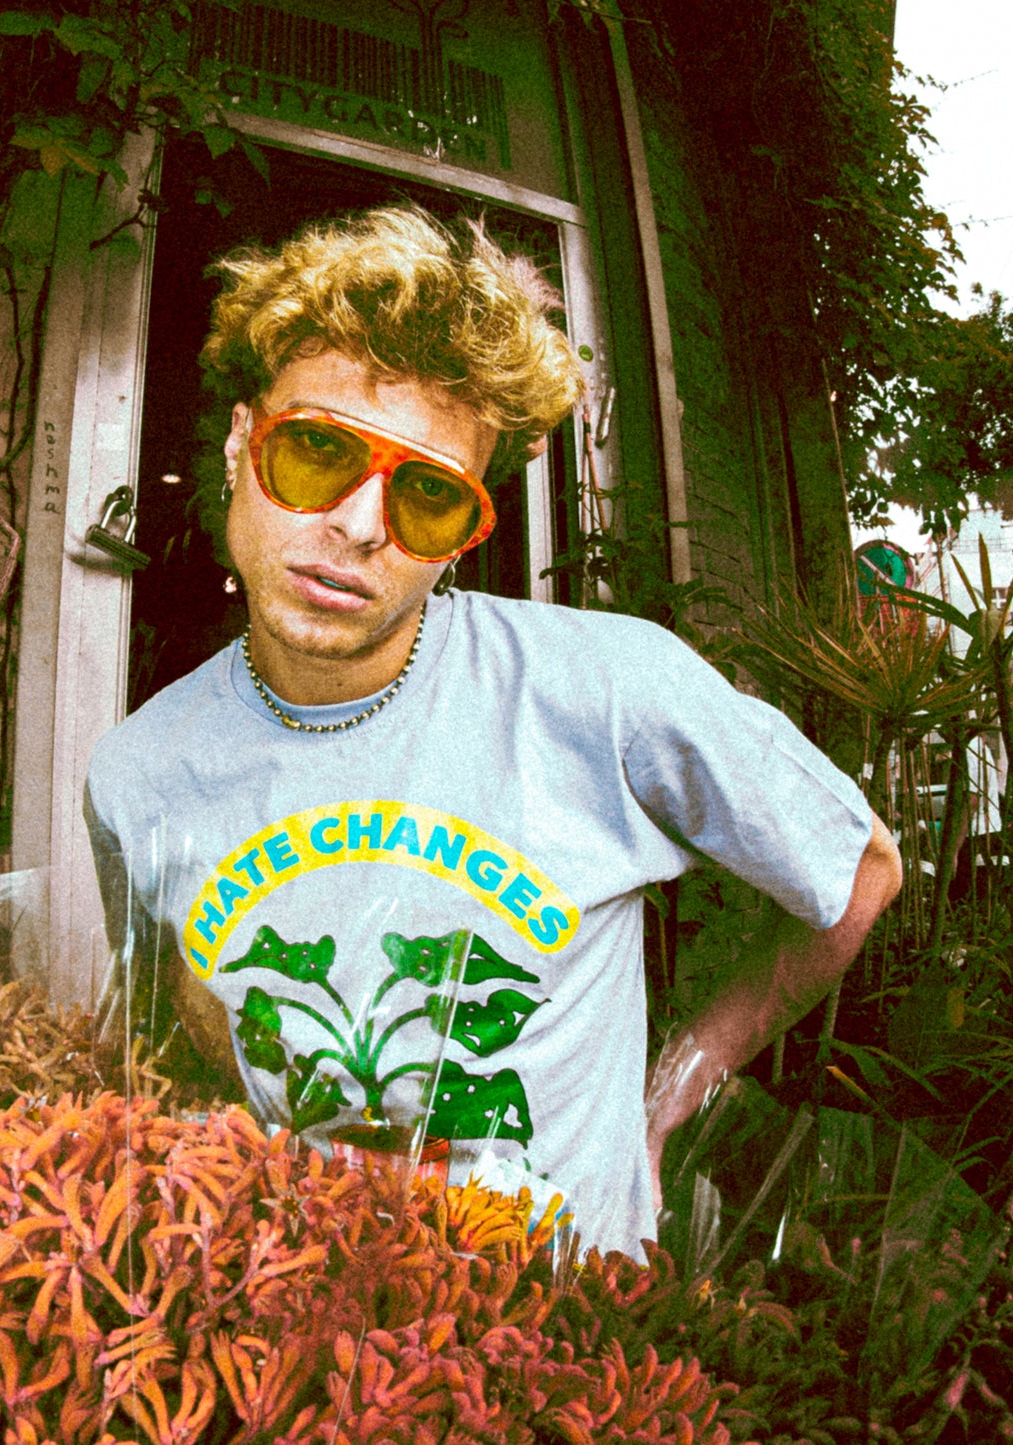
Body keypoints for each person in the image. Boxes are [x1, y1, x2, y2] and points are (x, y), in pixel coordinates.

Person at [85, 205, 902, 1259]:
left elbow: (857, 869)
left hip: (561, 1347)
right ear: (245, 442)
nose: (358, 524)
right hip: (309, 1337)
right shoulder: (138, 771)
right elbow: (179, 1023)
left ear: (463, 536)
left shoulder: (605, 687)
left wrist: (677, 1079)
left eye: (425, 495)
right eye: (316, 452)